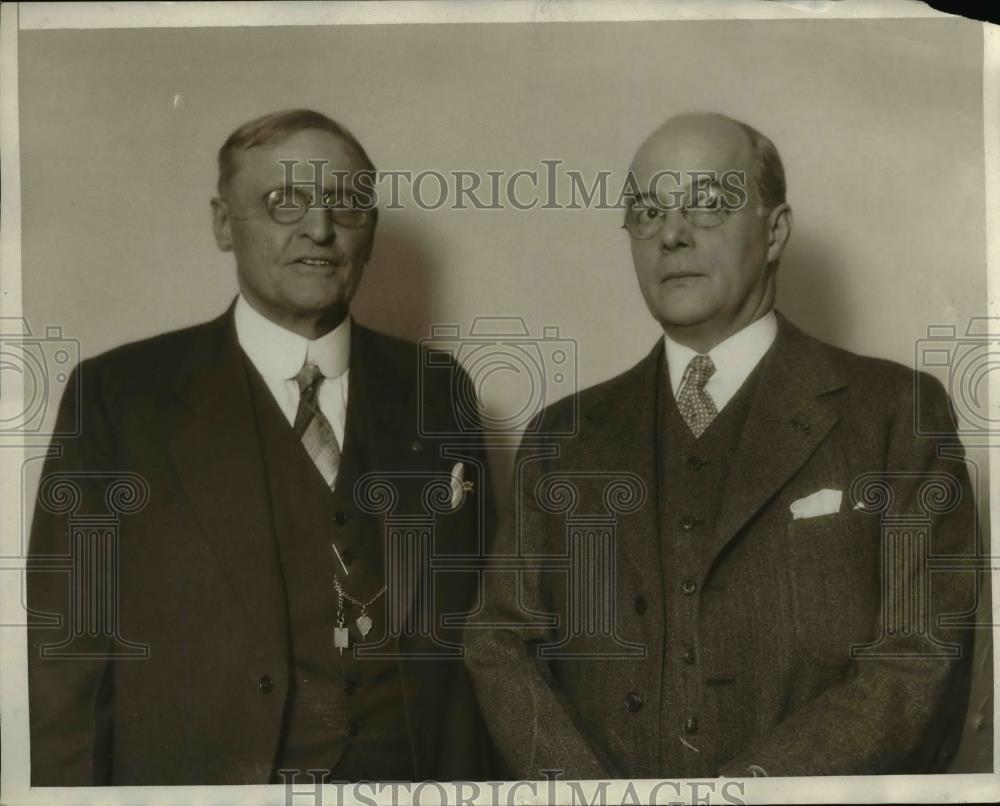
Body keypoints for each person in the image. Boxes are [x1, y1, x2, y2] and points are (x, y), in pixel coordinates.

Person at [465, 113, 977, 778]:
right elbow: (500, 643)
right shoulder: (563, 436)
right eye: (646, 213)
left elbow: (921, 657)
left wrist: (749, 796)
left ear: (775, 232)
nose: (672, 234)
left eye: (707, 204)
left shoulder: (895, 413)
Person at [27, 109, 492, 785]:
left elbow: (482, 635)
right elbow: (67, 655)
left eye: (347, 205)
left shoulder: (438, 390)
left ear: (372, 231)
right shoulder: (119, 396)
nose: (320, 229)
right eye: (285, 202)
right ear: (223, 223)